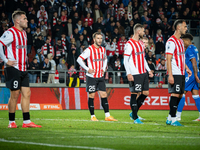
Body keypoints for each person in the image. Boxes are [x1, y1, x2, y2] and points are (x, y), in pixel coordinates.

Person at [0, 10, 41, 128]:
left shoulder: (23, 33)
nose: (27, 20)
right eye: (25, 19)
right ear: (17, 21)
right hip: (13, 67)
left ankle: (26, 121)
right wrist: (5, 60)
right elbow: (0, 43)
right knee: (14, 94)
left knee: (27, 93)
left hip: (23, 68)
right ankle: (11, 122)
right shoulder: (10, 32)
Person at [77, 32, 117, 122]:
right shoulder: (89, 49)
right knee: (92, 95)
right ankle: (93, 116)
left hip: (100, 76)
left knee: (104, 95)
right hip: (91, 77)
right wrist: (87, 69)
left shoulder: (103, 49)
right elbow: (79, 59)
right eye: (98, 38)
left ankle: (107, 115)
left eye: (101, 38)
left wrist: (103, 68)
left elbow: (105, 59)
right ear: (94, 39)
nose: (100, 40)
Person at [124, 24, 154, 124]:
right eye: (143, 31)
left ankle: (133, 113)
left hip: (143, 73)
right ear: (138, 31)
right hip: (135, 73)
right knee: (134, 94)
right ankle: (135, 117)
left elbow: (143, 58)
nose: (144, 33)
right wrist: (129, 73)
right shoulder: (129, 44)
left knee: (145, 93)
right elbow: (125, 60)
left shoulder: (141, 43)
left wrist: (148, 70)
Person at [165, 19, 192, 126]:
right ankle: (173, 119)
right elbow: (168, 58)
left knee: (180, 95)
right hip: (175, 72)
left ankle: (169, 117)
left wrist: (186, 68)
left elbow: (181, 56)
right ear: (178, 28)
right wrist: (170, 75)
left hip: (181, 73)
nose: (186, 28)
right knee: (175, 94)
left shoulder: (180, 41)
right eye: (185, 27)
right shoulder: (171, 41)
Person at [176, 33, 200, 121]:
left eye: (183, 41)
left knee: (181, 93)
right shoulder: (194, 48)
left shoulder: (189, 49)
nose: (182, 42)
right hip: (195, 73)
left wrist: (195, 75)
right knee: (195, 95)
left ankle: (177, 116)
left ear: (187, 40)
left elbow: (193, 61)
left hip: (191, 74)